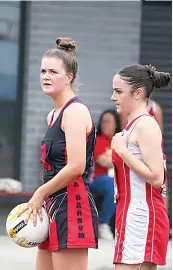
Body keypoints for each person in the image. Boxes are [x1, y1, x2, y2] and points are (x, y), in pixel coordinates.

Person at [18, 37, 98, 270]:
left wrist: (40, 193)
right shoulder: (53, 115)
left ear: (69, 77)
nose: (46, 76)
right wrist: (43, 197)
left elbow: (76, 167)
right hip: (53, 203)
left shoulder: (74, 111)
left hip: (73, 205)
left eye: (53, 71)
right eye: (43, 71)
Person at [111, 64, 170, 269]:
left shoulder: (146, 125)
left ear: (138, 93)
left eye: (119, 91)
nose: (113, 97)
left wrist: (123, 151)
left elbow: (156, 178)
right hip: (129, 212)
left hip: (142, 214)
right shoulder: (133, 125)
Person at [90, 109, 121, 240]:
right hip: (97, 180)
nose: (104, 124)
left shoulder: (121, 140)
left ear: (116, 124)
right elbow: (103, 161)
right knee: (113, 186)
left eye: (108, 122)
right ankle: (103, 223)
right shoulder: (98, 139)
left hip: (118, 178)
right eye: (103, 121)